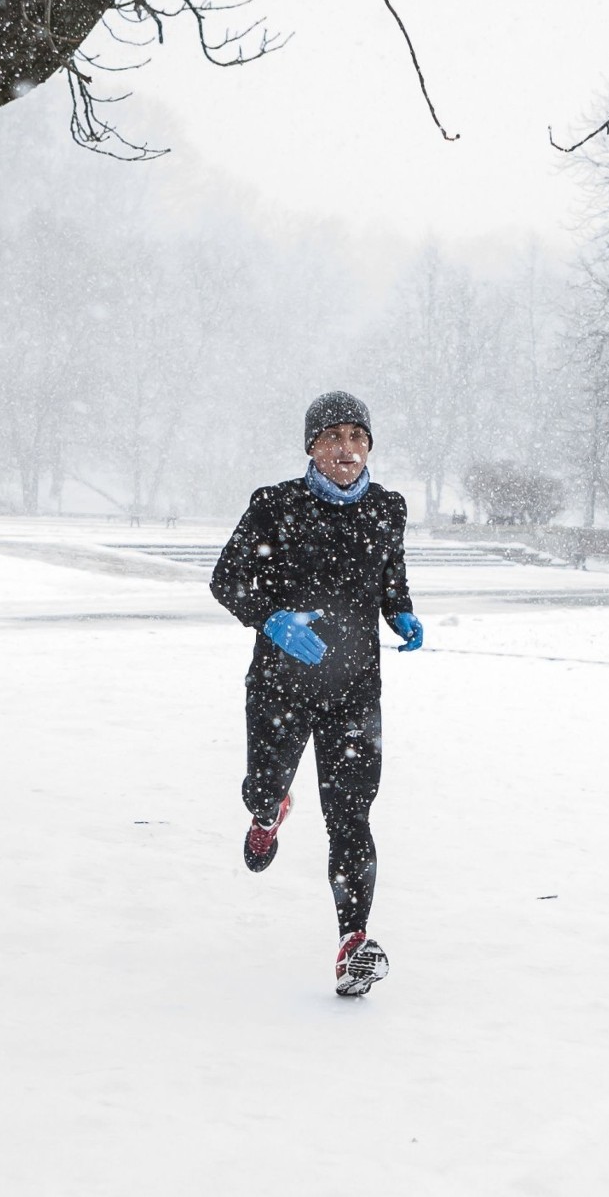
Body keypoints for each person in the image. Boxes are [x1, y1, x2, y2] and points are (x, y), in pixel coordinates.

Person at [210, 391, 423, 997]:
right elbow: (226, 580)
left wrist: (402, 614)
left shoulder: (387, 508)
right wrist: (271, 618)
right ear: (311, 447)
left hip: (355, 688)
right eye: (333, 437)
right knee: (263, 783)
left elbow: (391, 579)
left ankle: (352, 940)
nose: (346, 448)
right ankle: (267, 809)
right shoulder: (276, 505)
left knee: (351, 816)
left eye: (357, 437)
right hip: (282, 683)